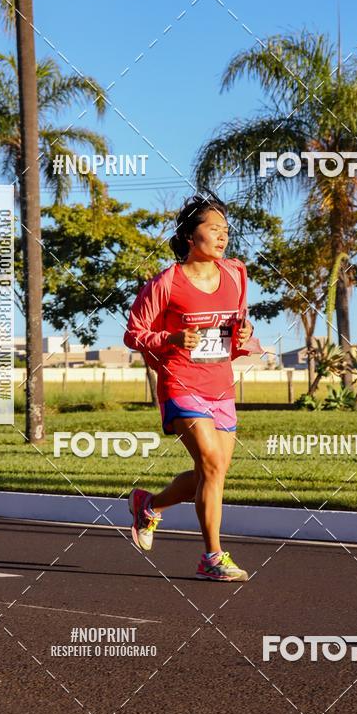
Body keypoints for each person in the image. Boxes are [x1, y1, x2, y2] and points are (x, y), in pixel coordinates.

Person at [123, 192, 262, 581]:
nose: (222, 237)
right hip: (180, 383)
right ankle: (212, 558)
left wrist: (244, 331)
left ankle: (149, 505)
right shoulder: (166, 282)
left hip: (220, 385)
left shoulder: (235, 273)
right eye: (213, 229)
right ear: (189, 236)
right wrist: (170, 338)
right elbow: (135, 334)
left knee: (212, 473)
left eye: (225, 231)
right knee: (212, 465)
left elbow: (236, 325)